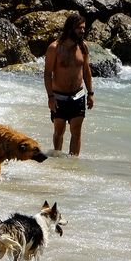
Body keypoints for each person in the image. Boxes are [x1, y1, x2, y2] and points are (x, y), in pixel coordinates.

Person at [44, 12, 94, 156]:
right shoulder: (55, 48)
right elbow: (47, 74)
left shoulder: (83, 47)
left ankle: (73, 164)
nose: (82, 31)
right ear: (70, 28)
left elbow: (86, 71)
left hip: (78, 95)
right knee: (59, 132)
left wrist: (90, 93)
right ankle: (57, 160)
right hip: (59, 97)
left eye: (84, 28)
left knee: (76, 131)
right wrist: (50, 97)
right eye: (79, 28)